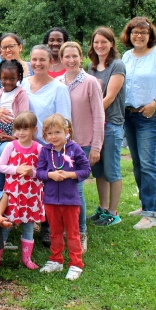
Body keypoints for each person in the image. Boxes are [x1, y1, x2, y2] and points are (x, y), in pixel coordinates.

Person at [120, 16, 156, 230]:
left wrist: (155, 103)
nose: (139, 35)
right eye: (135, 32)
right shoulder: (127, 56)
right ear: (129, 34)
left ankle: (151, 214)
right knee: (136, 162)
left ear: (150, 34)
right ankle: (145, 204)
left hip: (149, 115)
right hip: (129, 115)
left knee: (148, 163)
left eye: (144, 32)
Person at [16, 44, 71, 247]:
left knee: (49, 186)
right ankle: (29, 222)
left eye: (42, 60)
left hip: (49, 145)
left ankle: (50, 227)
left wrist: (54, 144)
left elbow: (64, 120)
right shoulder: (22, 84)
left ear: (50, 62)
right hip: (26, 144)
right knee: (32, 184)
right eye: (34, 59)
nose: (38, 63)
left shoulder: (59, 88)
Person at [59, 41, 105, 252]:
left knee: (76, 190)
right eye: (66, 56)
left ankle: (80, 232)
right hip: (61, 146)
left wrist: (96, 146)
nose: (71, 60)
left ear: (81, 57)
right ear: (61, 59)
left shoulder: (90, 82)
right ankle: (65, 230)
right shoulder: (58, 82)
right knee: (63, 189)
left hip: (83, 144)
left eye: (74, 56)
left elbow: (98, 114)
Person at [36, 114, 90, 281]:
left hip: (70, 200)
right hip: (51, 200)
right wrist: (50, 175)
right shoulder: (45, 151)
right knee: (55, 232)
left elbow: (86, 170)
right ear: (45, 135)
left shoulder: (75, 149)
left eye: (58, 132)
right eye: (49, 134)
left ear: (66, 132)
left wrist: (70, 174)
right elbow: (39, 172)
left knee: (73, 233)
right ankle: (56, 259)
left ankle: (76, 263)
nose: (54, 137)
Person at [87, 27, 126, 227]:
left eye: (104, 41)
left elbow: (109, 97)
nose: (100, 45)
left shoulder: (117, 66)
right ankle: (103, 209)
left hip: (111, 124)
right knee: (99, 171)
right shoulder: (91, 67)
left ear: (111, 44)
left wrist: (90, 114)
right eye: (96, 42)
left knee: (112, 170)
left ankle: (113, 212)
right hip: (96, 126)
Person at [0, 111, 44, 270]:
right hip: (13, 193)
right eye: (18, 129)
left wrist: (33, 173)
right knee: (7, 223)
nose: (21, 133)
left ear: (34, 130)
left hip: (31, 194)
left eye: (25, 129)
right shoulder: (10, 146)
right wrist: (16, 169)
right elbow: (0, 167)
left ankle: (26, 258)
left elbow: (43, 172)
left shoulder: (39, 148)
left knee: (29, 224)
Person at [0, 60, 29, 178]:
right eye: (4, 78)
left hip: (15, 133)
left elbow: (24, 118)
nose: (8, 82)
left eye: (12, 79)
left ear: (18, 78)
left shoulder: (21, 94)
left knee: (10, 163)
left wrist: (14, 137)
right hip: (0, 133)